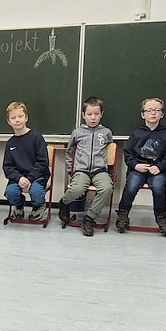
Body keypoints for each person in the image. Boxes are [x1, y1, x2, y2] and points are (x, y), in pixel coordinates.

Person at [115, 97, 166, 235]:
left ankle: (161, 217)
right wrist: (136, 165)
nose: (153, 113)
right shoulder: (136, 132)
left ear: (162, 114)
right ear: (143, 114)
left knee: (159, 186)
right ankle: (123, 214)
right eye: (149, 110)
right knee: (132, 185)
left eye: (157, 110)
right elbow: (128, 153)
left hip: (157, 169)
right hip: (137, 169)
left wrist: (160, 167)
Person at [58, 98, 113, 237]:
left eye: (96, 114)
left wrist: (109, 171)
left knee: (107, 188)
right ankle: (64, 203)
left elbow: (110, 150)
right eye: (89, 114)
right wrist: (71, 170)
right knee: (77, 188)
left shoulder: (106, 132)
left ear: (101, 114)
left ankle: (89, 218)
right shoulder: (78, 132)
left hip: (100, 171)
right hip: (81, 170)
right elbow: (69, 152)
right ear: (83, 115)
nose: (93, 117)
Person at [1, 102, 50, 224]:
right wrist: (19, 179)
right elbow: (7, 167)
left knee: (36, 192)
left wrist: (29, 179)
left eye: (20, 116)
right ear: (8, 121)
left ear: (26, 118)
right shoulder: (10, 143)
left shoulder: (36, 137)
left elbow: (43, 162)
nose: (17, 120)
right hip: (18, 179)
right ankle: (19, 204)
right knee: (10, 193)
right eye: (13, 118)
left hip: (37, 176)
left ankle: (38, 206)